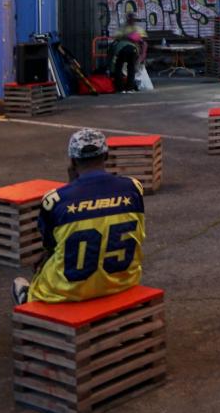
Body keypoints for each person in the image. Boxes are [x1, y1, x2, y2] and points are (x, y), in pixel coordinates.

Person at [20, 129, 146, 304]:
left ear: (72, 161)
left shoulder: (55, 199)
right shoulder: (133, 188)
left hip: (68, 290)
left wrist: (72, 185)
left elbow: (51, 245)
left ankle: (28, 297)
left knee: (41, 272)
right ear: (106, 155)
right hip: (123, 281)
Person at [109, 13, 146, 93]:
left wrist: (125, 36)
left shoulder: (123, 28)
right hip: (133, 50)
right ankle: (130, 88)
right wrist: (142, 54)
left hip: (122, 49)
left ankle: (120, 88)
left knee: (118, 66)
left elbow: (116, 37)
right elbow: (142, 42)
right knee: (131, 67)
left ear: (127, 19)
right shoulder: (138, 29)